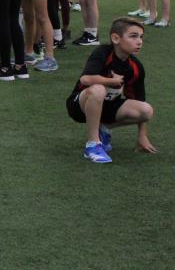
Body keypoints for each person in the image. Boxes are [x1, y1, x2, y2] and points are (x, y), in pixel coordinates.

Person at [66, 17, 156, 164]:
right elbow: (86, 79)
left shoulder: (136, 67)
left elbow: (139, 99)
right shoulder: (102, 53)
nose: (139, 41)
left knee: (146, 111)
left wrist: (142, 135)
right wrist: (110, 81)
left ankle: (104, 128)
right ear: (115, 38)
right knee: (98, 90)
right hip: (80, 105)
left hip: (108, 107)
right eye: (133, 36)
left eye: (141, 37)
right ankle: (93, 145)